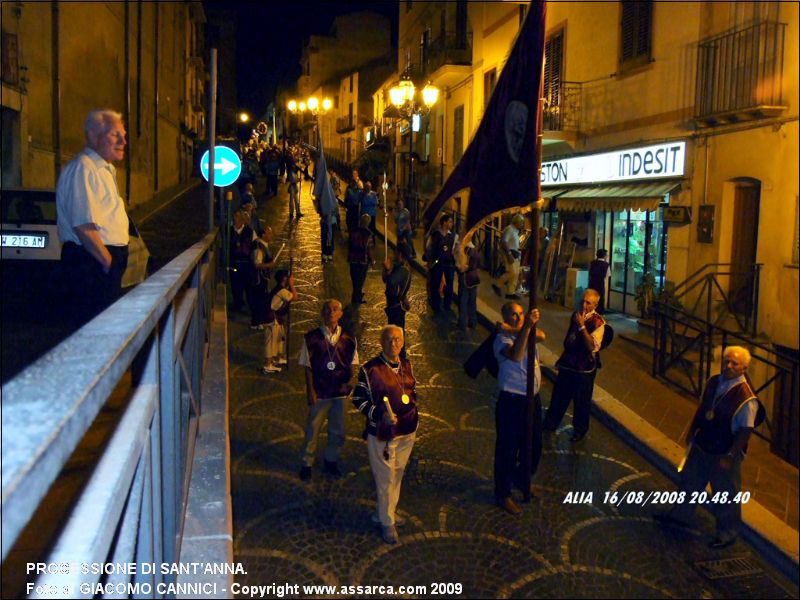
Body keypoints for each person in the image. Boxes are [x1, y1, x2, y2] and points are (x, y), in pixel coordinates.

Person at [654, 346, 763, 549]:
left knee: (725, 493)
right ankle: (680, 515)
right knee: (690, 481)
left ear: (744, 368)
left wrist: (730, 456)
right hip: (703, 443)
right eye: (726, 361)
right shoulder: (714, 382)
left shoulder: (746, 398)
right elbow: (704, 408)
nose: (729, 366)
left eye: (734, 363)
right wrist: (692, 430)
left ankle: (727, 532)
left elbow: (745, 431)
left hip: (724, 451)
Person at [56, 109, 130, 324]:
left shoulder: (103, 169)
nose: (123, 141)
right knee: (93, 327)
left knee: (104, 326)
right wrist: (107, 261)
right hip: (91, 262)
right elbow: (83, 225)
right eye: (115, 135)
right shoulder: (84, 168)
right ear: (94, 135)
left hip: (97, 260)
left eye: (123, 135)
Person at [352, 325, 418, 544]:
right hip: (383, 433)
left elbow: (412, 392)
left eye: (398, 339)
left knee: (397, 475)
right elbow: (358, 400)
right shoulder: (370, 370)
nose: (394, 344)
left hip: (407, 432)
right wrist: (379, 415)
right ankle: (387, 521)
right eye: (389, 340)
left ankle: (386, 512)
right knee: (384, 478)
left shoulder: (407, 365)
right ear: (381, 342)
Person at [493, 303, 546, 515]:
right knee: (507, 448)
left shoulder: (517, 331)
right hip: (512, 401)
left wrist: (519, 328)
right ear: (505, 317)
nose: (518, 318)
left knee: (534, 445)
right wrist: (523, 330)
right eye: (513, 315)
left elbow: (541, 335)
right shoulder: (500, 340)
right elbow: (516, 354)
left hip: (533, 400)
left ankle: (522, 478)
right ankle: (503, 493)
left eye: (520, 314)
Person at [298, 299, 359, 480]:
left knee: (338, 429)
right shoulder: (311, 338)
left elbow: (353, 364)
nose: (331, 313)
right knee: (313, 428)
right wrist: (310, 390)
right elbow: (308, 367)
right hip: (321, 391)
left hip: (340, 392)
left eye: (334, 309)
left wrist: (350, 384)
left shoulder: (349, 339)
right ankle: (307, 462)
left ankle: (331, 459)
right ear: (322, 313)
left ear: (340, 314)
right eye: (327, 310)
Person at [542, 289, 605, 442]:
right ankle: (551, 422)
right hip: (569, 363)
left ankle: (579, 430)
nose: (583, 305)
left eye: (588, 303)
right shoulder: (576, 315)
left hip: (584, 367)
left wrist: (582, 327)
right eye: (583, 301)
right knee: (559, 395)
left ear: (595, 305)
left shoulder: (599, 323)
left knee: (581, 400)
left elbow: (592, 346)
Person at [261, 270, 296, 374]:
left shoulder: (281, 289)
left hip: (276, 318)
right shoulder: (281, 291)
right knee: (270, 341)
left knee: (279, 338)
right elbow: (294, 297)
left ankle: (276, 358)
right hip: (271, 318)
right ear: (285, 279)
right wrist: (292, 285)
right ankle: (268, 364)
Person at [383, 242, 413, 358]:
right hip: (392, 304)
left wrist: (388, 269)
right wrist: (386, 270)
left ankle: (400, 354)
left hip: (397, 305)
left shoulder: (403, 270)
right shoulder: (398, 266)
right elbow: (386, 279)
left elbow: (391, 281)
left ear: (400, 254)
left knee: (397, 333)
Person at [425, 214, 458, 314]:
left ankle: (447, 304)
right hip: (437, 263)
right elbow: (429, 248)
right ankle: (436, 305)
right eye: (450, 221)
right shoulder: (435, 235)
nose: (452, 224)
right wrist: (430, 261)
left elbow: (452, 250)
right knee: (435, 284)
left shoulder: (451, 236)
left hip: (448, 264)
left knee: (449, 284)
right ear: (444, 223)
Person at [492, 214, 525, 300]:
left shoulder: (516, 231)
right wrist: (509, 254)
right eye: (521, 222)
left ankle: (511, 292)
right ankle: (497, 284)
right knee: (512, 272)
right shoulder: (510, 229)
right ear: (516, 222)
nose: (522, 224)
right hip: (510, 254)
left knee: (516, 273)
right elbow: (504, 241)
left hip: (515, 254)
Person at [248, 226, 276, 330]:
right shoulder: (259, 247)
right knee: (258, 300)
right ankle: (256, 322)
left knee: (261, 299)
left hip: (263, 278)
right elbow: (257, 264)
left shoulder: (263, 245)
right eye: (269, 233)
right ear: (263, 235)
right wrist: (269, 265)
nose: (271, 235)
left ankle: (259, 320)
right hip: (258, 279)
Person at [229, 209, 256, 313]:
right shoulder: (230, 231)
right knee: (235, 286)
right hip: (234, 263)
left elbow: (254, 247)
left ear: (243, 219)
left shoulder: (249, 231)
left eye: (239, 217)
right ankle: (238, 304)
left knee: (248, 286)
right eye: (235, 217)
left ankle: (250, 307)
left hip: (246, 264)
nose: (236, 219)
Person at [348, 214, 374, 304]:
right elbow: (369, 249)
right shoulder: (368, 234)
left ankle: (355, 297)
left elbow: (349, 244)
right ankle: (357, 298)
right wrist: (372, 260)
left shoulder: (353, 231)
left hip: (353, 259)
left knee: (355, 279)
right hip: (363, 260)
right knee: (360, 280)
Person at [458, 240, 480, 330]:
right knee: (472, 301)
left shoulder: (465, 251)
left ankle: (463, 323)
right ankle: (473, 321)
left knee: (463, 300)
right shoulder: (475, 251)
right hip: (475, 278)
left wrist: (460, 269)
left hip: (466, 278)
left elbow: (463, 267)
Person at [588, 249, 611, 313]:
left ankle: (590, 310)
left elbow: (590, 272)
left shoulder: (592, 262)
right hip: (600, 284)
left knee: (591, 297)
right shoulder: (606, 264)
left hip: (592, 283)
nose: (607, 256)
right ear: (604, 256)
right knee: (600, 298)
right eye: (606, 255)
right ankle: (599, 312)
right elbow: (608, 275)